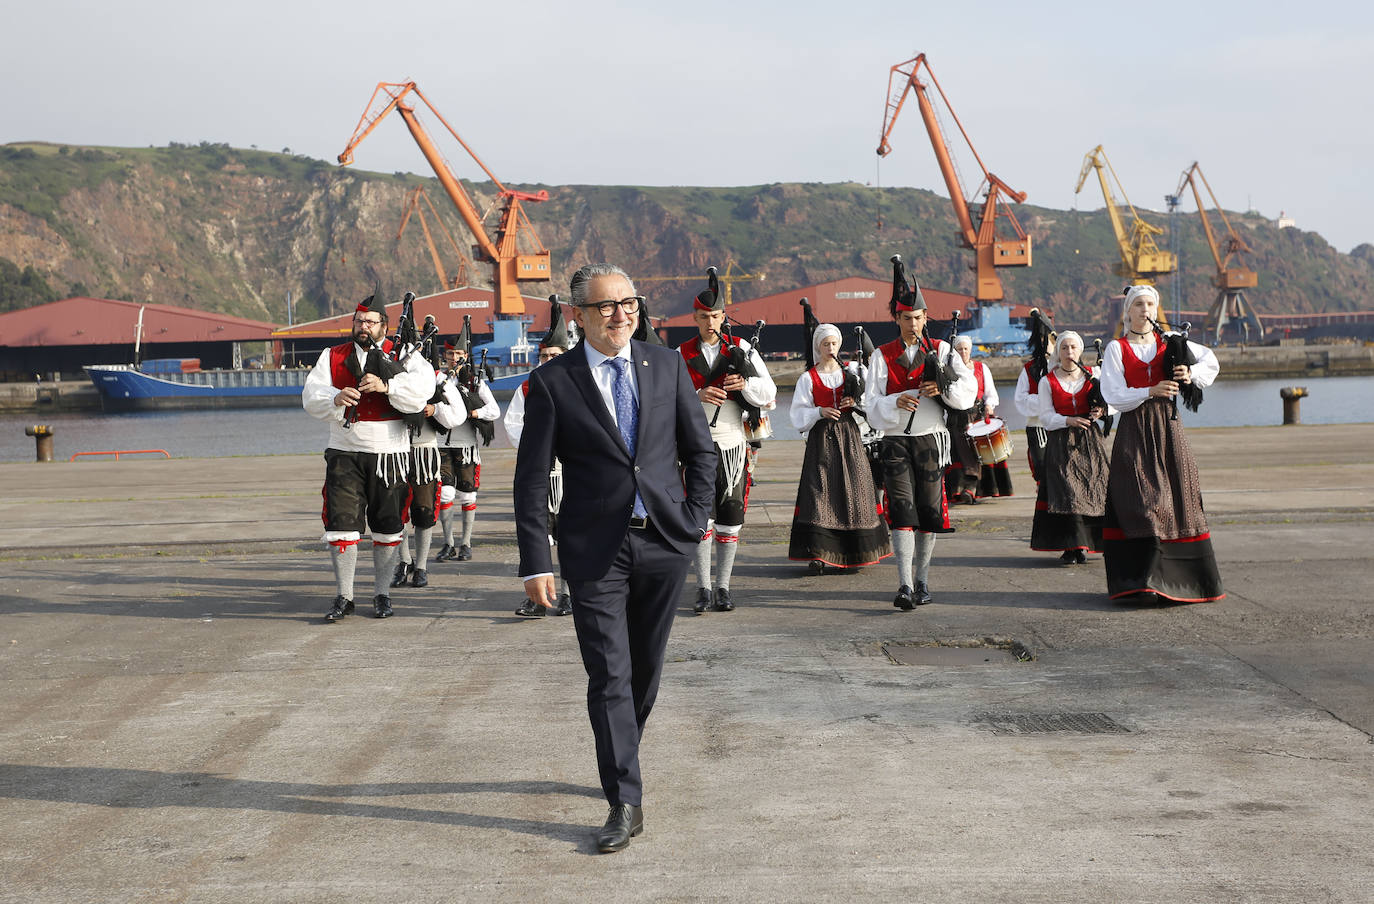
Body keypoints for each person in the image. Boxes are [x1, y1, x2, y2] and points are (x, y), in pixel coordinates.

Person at [515, 263, 715, 853]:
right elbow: (531, 481)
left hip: (663, 541)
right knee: (609, 673)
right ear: (578, 315)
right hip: (593, 551)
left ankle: (621, 747)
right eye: (605, 306)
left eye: (627, 302)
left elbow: (700, 452)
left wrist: (694, 519)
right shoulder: (553, 382)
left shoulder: (666, 364)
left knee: (644, 672)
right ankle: (625, 799)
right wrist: (536, 559)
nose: (619, 314)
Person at [301, 289, 433, 621]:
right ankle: (344, 596)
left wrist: (388, 387)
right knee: (341, 525)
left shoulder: (403, 353)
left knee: (388, 526)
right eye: (359, 321)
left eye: (370, 322)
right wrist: (335, 397)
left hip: (390, 453)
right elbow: (311, 394)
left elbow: (422, 391)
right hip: (344, 452)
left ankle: (382, 594)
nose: (363, 326)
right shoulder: (332, 355)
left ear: (384, 326)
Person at [863, 255, 976, 610]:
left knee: (928, 511)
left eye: (918, 318)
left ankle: (923, 580)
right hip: (896, 440)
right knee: (902, 509)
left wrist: (942, 390)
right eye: (906, 318)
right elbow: (869, 403)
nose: (913, 323)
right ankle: (904, 584)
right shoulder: (881, 355)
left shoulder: (942, 351)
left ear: (926, 318)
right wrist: (895, 400)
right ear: (896, 318)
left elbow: (968, 392)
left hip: (931, 440)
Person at [1100, 284, 1224, 603]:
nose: (1145, 310)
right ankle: (1143, 580)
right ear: (1128, 311)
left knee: (1178, 500)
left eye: (1150, 305)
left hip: (1169, 428)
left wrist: (1188, 371)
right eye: (1139, 305)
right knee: (1145, 502)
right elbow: (1112, 393)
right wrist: (1149, 390)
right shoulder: (1117, 348)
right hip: (1135, 429)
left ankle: (1174, 584)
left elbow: (1210, 362)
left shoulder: (1168, 341)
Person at [676, 269, 777, 613]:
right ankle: (703, 587)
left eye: (716, 316)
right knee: (700, 518)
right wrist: (697, 394)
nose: (710, 322)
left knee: (730, 515)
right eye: (704, 317)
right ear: (695, 317)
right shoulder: (680, 352)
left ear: (723, 316)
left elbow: (769, 392)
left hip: (734, 442)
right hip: (696, 447)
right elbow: (666, 401)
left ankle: (723, 587)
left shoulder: (742, 348)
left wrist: (744, 386)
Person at [787, 324, 892, 572]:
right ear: (818, 347)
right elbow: (797, 414)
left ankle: (855, 550)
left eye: (834, 343)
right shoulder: (807, 378)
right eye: (826, 344)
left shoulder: (852, 372)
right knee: (819, 492)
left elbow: (870, 401)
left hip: (848, 435)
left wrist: (854, 401)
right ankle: (818, 553)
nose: (830, 348)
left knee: (855, 487)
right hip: (821, 438)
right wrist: (819, 411)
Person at [507, 296, 575, 618]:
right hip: (541, 476)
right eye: (544, 355)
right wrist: (542, 445)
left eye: (554, 355)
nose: (548, 359)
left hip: (572, 474)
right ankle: (538, 598)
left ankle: (568, 593)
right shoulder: (526, 387)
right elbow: (513, 425)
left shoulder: (580, 385)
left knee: (571, 537)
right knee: (540, 535)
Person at [391, 341, 467, 589]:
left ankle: (421, 566)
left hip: (424, 451)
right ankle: (403, 562)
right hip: (394, 451)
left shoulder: (437, 378)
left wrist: (434, 408)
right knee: (396, 513)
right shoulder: (390, 375)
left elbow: (458, 414)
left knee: (424, 511)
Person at [1029, 331, 1110, 563]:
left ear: (1080, 350)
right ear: (1058, 352)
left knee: (1093, 487)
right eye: (1064, 348)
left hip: (1090, 440)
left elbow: (1110, 403)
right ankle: (1072, 546)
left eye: (1073, 347)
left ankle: (1090, 543)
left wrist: (1100, 411)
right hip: (1061, 441)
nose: (1069, 352)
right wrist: (1068, 420)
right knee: (1067, 490)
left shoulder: (1093, 376)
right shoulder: (1047, 381)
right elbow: (1045, 417)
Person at [434, 331, 500, 563]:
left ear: (465, 355)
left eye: (458, 353)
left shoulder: (475, 381)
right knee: (444, 494)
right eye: (450, 353)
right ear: (445, 355)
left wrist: (474, 412)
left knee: (467, 494)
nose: (454, 357)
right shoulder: (436, 378)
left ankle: (466, 543)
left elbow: (494, 410)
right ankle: (448, 542)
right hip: (441, 444)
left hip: (466, 445)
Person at [944, 335, 1014, 504]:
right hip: (956, 417)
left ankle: (971, 489)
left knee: (979, 452)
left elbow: (990, 393)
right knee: (960, 455)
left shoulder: (981, 368)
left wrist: (989, 406)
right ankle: (963, 490)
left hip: (977, 416)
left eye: (966, 349)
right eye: (959, 349)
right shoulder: (948, 369)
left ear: (970, 350)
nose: (963, 352)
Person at [1015, 310, 1055, 485]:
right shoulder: (1029, 368)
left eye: (1047, 339)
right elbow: (1020, 400)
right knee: (1041, 469)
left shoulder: (1065, 367)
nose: (1044, 343)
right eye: (1040, 339)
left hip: (1061, 424)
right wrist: (1045, 401)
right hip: (1037, 425)